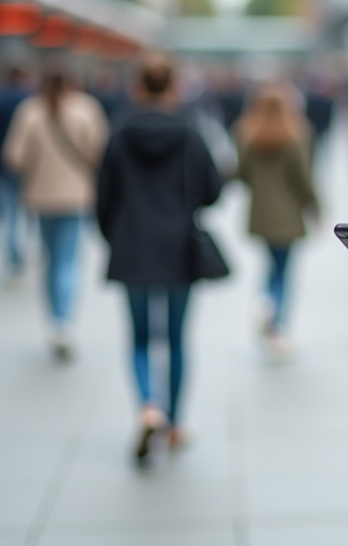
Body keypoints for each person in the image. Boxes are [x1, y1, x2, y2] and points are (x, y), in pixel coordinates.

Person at [96, 52, 223, 462]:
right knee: (175, 338)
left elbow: (103, 198)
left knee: (138, 337)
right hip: (179, 247)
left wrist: (113, 236)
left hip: (131, 246)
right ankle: (173, 422)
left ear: (137, 88)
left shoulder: (119, 134)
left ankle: (148, 405)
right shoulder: (189, 133)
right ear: (172, 88)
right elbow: (213, 189)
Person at [3, 63, 107, 361]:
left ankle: (54, 320)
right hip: (76, 196)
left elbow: (14, 157)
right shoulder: (87, 110)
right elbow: (99, 152)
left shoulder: (30, 111)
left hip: (41, 196)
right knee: (69, 260)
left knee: (50, 259)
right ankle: (64, 321)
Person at [235, 81, 318, 361]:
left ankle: (265, 304)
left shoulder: (247, 134)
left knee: (270, 264)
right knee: (284, 270)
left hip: (260, 213)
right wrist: (315, 206)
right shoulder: (297, 134)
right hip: (289, 215)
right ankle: (278, 326)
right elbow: (303, 179)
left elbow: (241, 174)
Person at [0, 63, 31, 280]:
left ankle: (12, 259)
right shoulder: (30, 100)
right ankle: (22, 253)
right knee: (27, 213)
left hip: (1, 165)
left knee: (8, 214)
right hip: (27, 167)